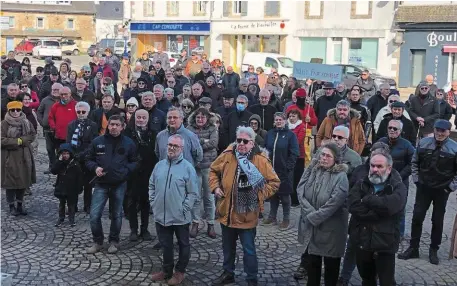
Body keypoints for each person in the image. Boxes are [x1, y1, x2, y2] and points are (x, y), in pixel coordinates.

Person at [210, 127, 280, 286]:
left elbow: (274, 183)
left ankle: (251, 279)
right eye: (238, 140)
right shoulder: (228, 154)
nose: (241, 144)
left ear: (252, 143)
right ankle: (228, 274)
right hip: (227, 211)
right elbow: (213, 170)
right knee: (227, 248)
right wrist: (215, 187)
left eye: (245, 141)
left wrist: (259, 195)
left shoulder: (260, 160)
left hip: (247, 214)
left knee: (249, 250)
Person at [398, 119, 457, 265]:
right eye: (437, 130)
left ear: (449, 132)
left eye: (443, 131)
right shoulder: (423, 143)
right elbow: (414, 162)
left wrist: (450, 187)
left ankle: (433, 250)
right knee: (417, 217)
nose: (439, 133)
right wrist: (417, 180)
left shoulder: (454, 148)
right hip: (423, 188)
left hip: (442, 190)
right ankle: (413, 248)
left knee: (437, 220)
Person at [348, 152, 407, 285]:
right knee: (367, 279)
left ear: (389, 168)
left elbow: (390, 207)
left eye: (380, 166)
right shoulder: (361, 183)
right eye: (372, 166)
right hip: (362, 240)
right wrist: (378, 213)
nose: (375, 170)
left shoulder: (398, 187)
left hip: (385, 244)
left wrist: (368, 199)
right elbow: (353, 205)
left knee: (387, 281)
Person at [296, 143, 349, 286]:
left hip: (331, 231)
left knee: (331, 271)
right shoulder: (314, 169)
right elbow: (300, 190)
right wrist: (309, 212)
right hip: (313, 229)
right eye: (322, 154)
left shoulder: (341, 177)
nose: (324, 158)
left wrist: (312, 217)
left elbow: (333, 204)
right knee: (313, 269)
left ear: (335, 159)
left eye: (328, 156)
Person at [85, 115, 139, 254]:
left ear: (122, 127)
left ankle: (114, 241)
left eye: (117, 125)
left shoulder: (129, 143)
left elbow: (135, 161)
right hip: (101, 184)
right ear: (107, 126)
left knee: (116, 215)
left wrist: (125, 171)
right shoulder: (98, 141)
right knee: (94, 215)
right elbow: (88, 159)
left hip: (119, 184)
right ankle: (98, 241)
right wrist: (95, 168)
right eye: (111, 124)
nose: (113, 127)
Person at [149, 134, 198, 285]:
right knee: (166, 244)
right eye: (170, 145)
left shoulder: (188, 168)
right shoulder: (159, 165)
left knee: (183, 245)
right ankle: (166, 270)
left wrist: (184, 209)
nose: (171, 148)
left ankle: (180, 271)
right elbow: (151, 185)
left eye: (175, 146)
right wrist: (154, 202)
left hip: (180, 216)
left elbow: (193, 193)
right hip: (161, 214)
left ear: (181, 148)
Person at [124, 109, 158, 241]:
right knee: (132, 202)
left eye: (144, 117)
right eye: (138, 117)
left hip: (148, 172)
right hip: (132, 172)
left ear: (148, 119)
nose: (141, 120)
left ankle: (144, 229)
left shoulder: (153, 134)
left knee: (145, 202)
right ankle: (133, 229)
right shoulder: (127, 133)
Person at [377, 119, 415, 238]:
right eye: (390, 128)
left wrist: (399, 176)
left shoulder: (407, 145)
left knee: (399, 208)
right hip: (381, 180)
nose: (392, 130)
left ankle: (399, 234)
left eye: (395, 128)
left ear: (400, 131)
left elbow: (412, 163)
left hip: (400, 181)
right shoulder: (381, 142)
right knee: (380, 205)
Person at [186, 107, 219, 238]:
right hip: (194, 166)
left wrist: (197, 144)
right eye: (198, 117)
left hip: (208, 166)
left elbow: (213, 143)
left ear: (207, 118)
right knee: (195, 195)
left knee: (209, 197)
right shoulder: (189, 129)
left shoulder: (212, 128)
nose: (200, 119)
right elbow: (187, 144)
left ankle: (210, 224)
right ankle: (195, 222)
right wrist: (202, 142)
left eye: (203, 117)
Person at [263, 112, 299, 230]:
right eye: (277, 119)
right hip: (271, 171)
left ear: (285, 121)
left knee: (284, 195)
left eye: (281, 120)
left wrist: (288, 167)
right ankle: (272, 216)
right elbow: (264, 149)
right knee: (273, 194)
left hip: (284, 171)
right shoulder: (270, 134)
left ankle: (286, 219)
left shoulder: (290, 135)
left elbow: (294, 153)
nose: (278, 121)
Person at [1, 101, 36, 216]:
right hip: (9, 156)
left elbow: (32, 135)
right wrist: (17, 141)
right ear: (9, 111)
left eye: (18, 109)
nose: (15, 112)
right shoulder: (3, 124)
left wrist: (23, 140)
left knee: (23, 181)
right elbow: (2, 140)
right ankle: (11, 206)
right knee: (10, 182)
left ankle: (20, 205)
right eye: (13, 110)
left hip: (25, 156)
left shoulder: (26, 122)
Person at [66, 101, 98, 213]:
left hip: (87, 158)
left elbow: (93, 143)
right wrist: (73, 155)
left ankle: (87, 205)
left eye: (83, 112)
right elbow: (68, 141)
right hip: (75, 157)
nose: (81, 114)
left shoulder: (93, 125)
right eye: (78, 112)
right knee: (73, 184)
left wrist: (83, 155)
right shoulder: (71, 125)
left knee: (88, 185)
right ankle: (73, 205)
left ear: (88, 112)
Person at [51, 143, 83, 227]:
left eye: (67, 154)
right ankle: (61, 218)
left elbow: (79, 177)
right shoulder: (60, 163)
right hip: (61, 187)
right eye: (63, 154)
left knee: (71, 205)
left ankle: (71, 219)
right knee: (62, 204)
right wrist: (59, 161)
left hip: (71, 188)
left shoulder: (75, 164)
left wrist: (79, 188)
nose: (65, 155)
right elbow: (53, 171)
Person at [37, 83, 62, 173]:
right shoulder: (45, 100)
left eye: (57, 90)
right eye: (53, 89)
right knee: (50, 149)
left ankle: (58, 167)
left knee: (60, 149)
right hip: (48, 129)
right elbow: (39, 112)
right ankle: (51, 167)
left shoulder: (63, 100)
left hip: (60, 130)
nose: (55, 91)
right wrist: (42, 122)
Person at [287, 109, 306, 207]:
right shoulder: (286, 127)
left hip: (299, 156)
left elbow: (298, 141)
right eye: (290, 116)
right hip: (287, 156)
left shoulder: (302, 127)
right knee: (288, 178)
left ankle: (296, 200)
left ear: (298, 117)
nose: (291, 118)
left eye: (293, 116)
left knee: (297, 178)